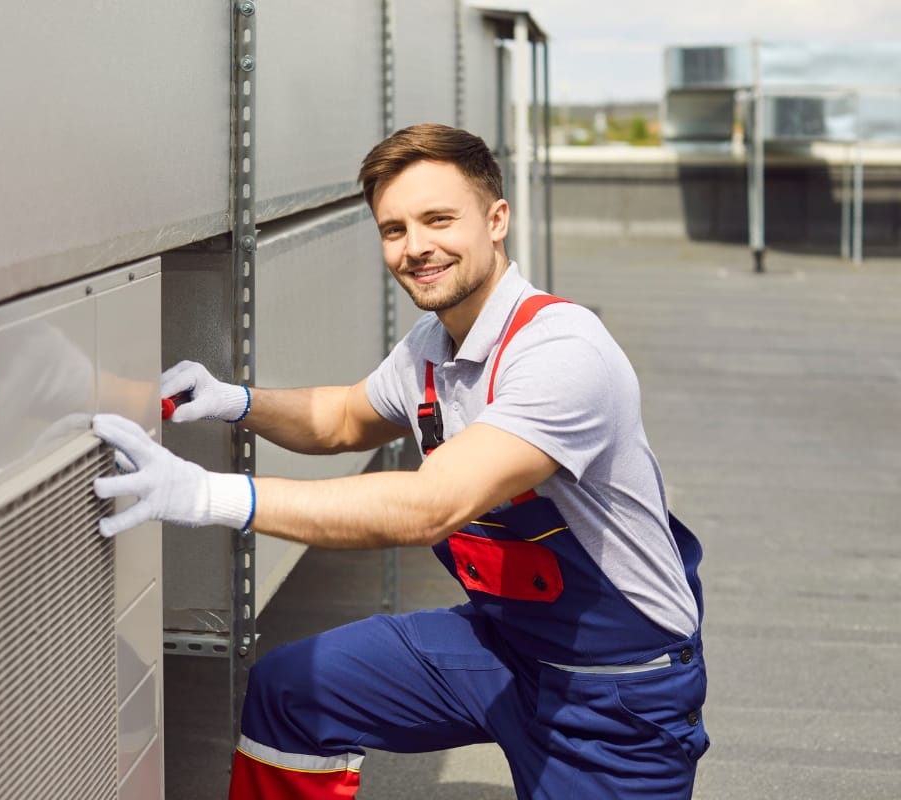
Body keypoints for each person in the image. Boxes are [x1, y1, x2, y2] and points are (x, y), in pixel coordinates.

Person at [91, 123, 709, 799]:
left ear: (496, 219)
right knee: (293, 692)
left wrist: (209, 496)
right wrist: (233, 400)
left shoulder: (562, 352)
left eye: (439, 219)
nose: (416, 247)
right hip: (502, 647)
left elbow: (429, 506)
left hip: (613, 691)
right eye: (394, 229)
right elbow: (343, 418)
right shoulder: (431, 345)